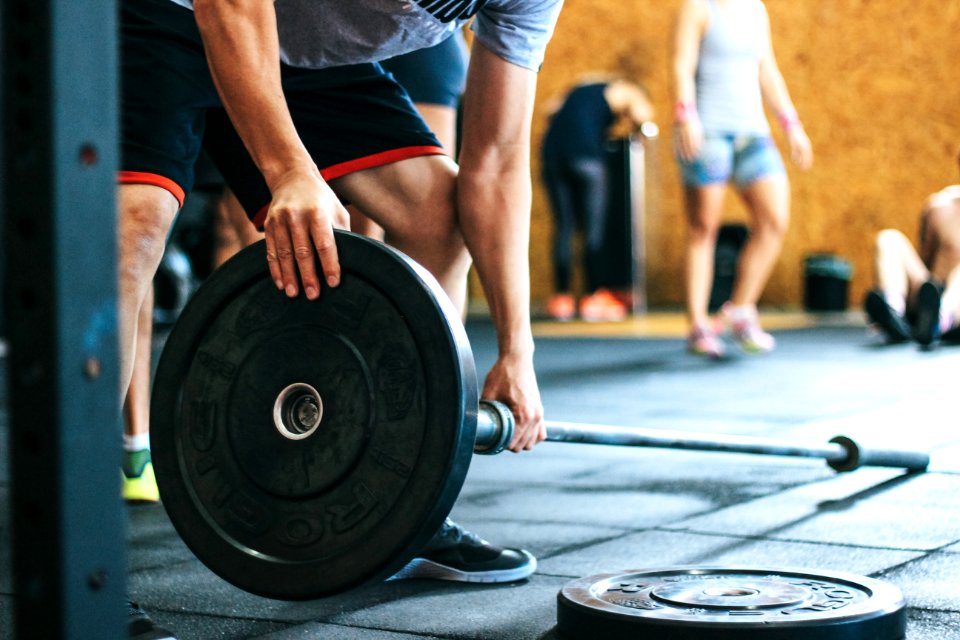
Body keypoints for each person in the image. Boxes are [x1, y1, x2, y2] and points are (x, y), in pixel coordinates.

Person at [117, 0, 562, 634]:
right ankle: (83, 560)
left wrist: (518, 348)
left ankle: (396, 506)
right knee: (133, 227)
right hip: (172, 13)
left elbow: (496, 162)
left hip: (297, 55)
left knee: (437, 219)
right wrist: (290, 171)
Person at [673, 0, 813, 358]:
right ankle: (698, 325)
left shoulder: (755, 9)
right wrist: (686, 115)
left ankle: (740, 310)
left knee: (773, 219)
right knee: (703, 227)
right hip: (709, 133)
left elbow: (767, 70)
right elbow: (682, 63)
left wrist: (791, 126)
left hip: (752, 132)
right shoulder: (699, 7)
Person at [541, 76, 655, 322]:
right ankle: (593, 296)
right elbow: (641, 114)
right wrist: (642, 128)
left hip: (553, 155)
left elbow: (549, 110)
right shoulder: (625, 90)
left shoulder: (579, 88)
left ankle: (562, 299)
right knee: (594, 228)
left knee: (565, 227)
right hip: (587, 157)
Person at [864, 149, 960, 348]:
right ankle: (893, 313)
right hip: (930, 296)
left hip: (955, 307)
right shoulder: (939, 206)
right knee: (889, 239)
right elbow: (925, 258)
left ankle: (941, 320)